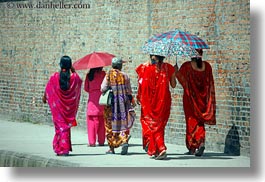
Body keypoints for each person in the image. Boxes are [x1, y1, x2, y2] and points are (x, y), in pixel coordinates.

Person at [174, 48, 216, 156]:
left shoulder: (187, 66)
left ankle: (193, 146)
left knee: (191, 121)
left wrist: (176, 71)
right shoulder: (207, 66)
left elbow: (183, 82)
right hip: (203, 100)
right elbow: (209, 83)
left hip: (190, 99)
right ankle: (201, 142)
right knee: (200, 120)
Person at [135, 54, 176, 160]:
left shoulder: (144, 67)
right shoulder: (169, 68)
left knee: (149, 124)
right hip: (163, 101)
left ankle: (160, 148)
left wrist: (138, 96)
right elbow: (173, 85)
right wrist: (175, 72)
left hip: (148, 101)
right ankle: (157, 149)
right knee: (159, 125)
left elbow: (140, 83)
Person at [42, 55, 82, 156]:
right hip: (69, 109)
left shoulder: (54, 77)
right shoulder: (74, 78)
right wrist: (73, 70)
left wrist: (44, 97)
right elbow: (79, 80)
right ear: (70, 65)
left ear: (60, 65)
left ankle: (63, 149)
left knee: (60, 127)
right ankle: (62, 148)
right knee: (65, 127)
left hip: (58, 108)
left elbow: (48, 89)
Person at [101, 57, 136, 155]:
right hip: (122, 104)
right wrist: (131, 101)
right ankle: (124, 140)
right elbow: (129, 91)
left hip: (111, 105)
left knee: (109, 125)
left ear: (112, 65)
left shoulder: (109, 74)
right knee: (122, 123)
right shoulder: (125, 76)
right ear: (121, 65)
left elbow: (102, 88)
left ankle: (111, 148)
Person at [84, 67, 106, 147]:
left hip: (92, 100)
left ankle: (92, 142)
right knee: (102, 121)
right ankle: (101, 141)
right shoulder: (103, 74)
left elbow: (86, 88)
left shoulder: (89, 75)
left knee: (91, 122)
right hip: (101, 99)